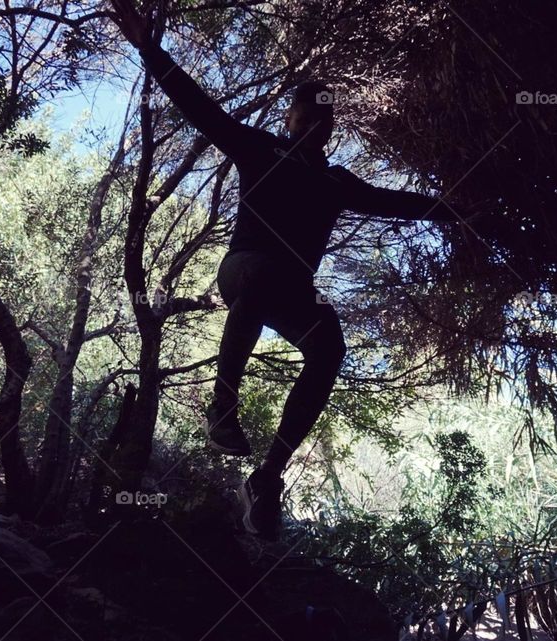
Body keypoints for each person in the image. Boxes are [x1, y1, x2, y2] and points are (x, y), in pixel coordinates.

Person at [137, 45, 466, 540]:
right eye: (306, 115)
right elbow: (201, 109)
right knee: (261, 275)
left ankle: (268, 479)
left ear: (331, 129)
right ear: (290, 117)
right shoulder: (258, 148)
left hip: (292, 290)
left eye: (324, 120)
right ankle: (222, 409)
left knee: (330, 346)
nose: (315, 125)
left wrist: (458, 212)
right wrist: (150, 50)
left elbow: (396, 202)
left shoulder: (335, 182)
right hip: (243, 270)